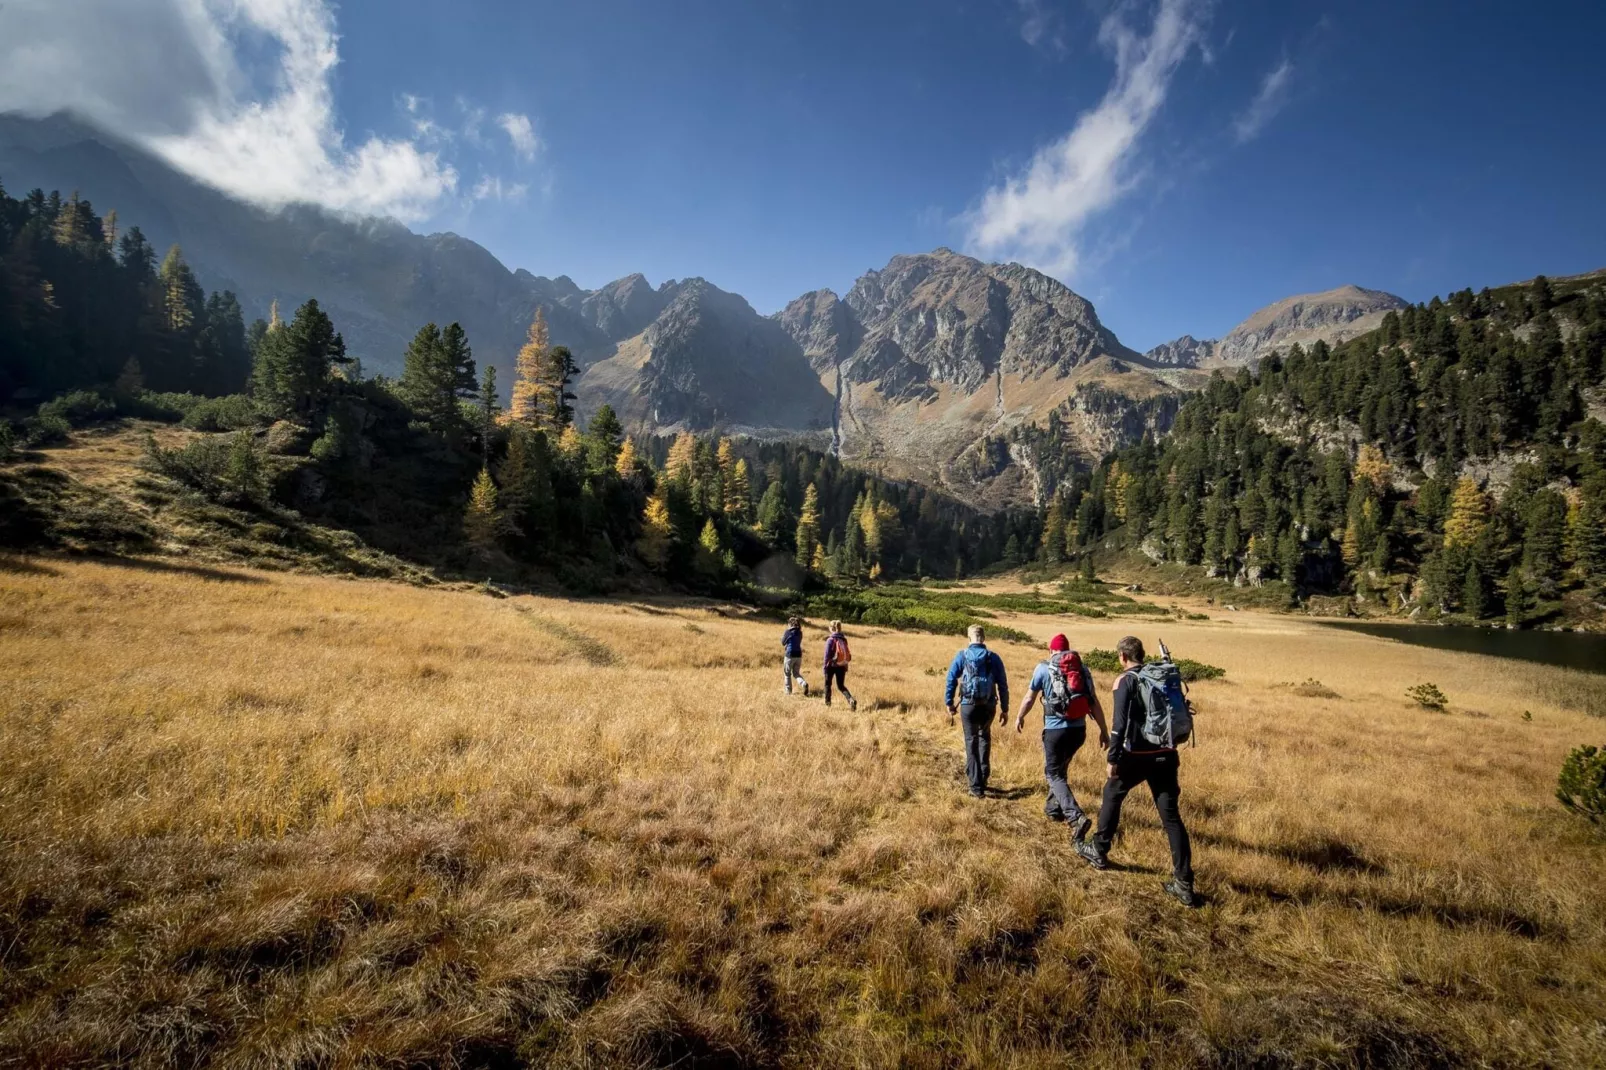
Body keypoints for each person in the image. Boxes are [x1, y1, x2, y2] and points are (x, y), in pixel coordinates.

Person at [1074, 635, 1197, 908]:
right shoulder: (1159, 677)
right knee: (1172, 818)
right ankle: (1184, 883)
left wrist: (1113, 757)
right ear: (1141, 654)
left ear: (1122, 657)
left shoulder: (1125, 681)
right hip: (1166, 754)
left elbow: (1119, 724)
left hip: (1135, 756)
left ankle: (1098, 849)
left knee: (1112, 795)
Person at [1016, 634, 1109, 842]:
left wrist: (1020, 716)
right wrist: (1104, 730)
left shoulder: (1043, 669)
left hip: (1055, 732)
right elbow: (1094, 703)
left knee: (1052, 773)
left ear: (1051, 651)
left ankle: (1076, 817)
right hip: (1079, 732)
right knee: (1060, 769)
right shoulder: (1083, 671)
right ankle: (1053, 809)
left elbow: (1030, 697)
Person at [944, 624, 1009, 798]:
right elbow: (1002, 685)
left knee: (970, 741)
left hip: (968, 705)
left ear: (969, 638)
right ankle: (984, 776)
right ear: (983, 638)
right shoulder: (993, 658)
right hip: (989, 706)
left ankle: (975, 786)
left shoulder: (962, 656)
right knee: (984, 737)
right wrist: (1005, 709)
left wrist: (949, 702)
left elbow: (951, 679)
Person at [822, 620, 856, 710]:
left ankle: (828, 704)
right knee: (841, 686)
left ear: (831, 628)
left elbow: (826, 656)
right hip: (841, 665)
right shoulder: (843, 639)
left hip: (831, 666)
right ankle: (851, 699)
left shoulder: (830, 640)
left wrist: (825, 668)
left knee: (827, 684)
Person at [780, 616, 809, 696]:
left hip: (789, 654)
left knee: (787, 673)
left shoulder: (788, 632)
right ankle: (804, 683)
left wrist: (782, 638)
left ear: (790, 623)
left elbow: (783, 643)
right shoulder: (800, 633)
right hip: (798, 655)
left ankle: (788, 692)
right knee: (796, 673)